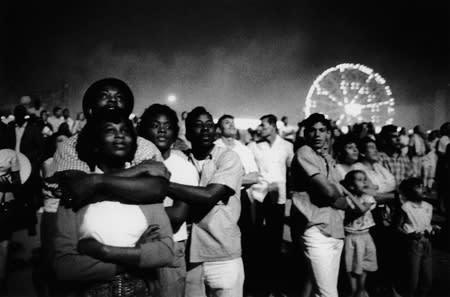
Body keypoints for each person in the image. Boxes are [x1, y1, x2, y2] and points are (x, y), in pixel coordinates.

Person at [50, 110, 175, 297]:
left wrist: (104, 251)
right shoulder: (77, 191)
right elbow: (65, 266)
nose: (120, 135)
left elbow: (165, 252)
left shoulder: (147, 189)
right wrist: (136, 255)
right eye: (110, 130)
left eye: (125, 130)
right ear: (95, 143)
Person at [167, 106, 244, 297]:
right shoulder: (181, 160)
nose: (205, 130)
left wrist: (163, 185)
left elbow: (209, 195)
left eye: (209, 125)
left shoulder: (228, 157)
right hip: (190, 258)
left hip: (222, 254)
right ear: (188, 132)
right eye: (198, 125)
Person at [138, 104, 199, 297]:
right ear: (143, 130)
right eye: (155, 125)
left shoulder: (183, 168)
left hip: (170, 246)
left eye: (168, 126)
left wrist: (132, 215)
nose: (162, 130)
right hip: (133, 246)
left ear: (175, 133)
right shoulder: (132, 164)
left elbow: (177, 216)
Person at [289, 113, 350, 297]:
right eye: (312, 131)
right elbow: (331, 192)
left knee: (321, 291)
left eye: (322, 130)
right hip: (315, 227)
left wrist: (340, 196)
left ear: (329, 134)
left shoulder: (325, 157)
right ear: (305, 134)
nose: (317, 135)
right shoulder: (304, 152)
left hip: (334, 228)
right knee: (328, 293)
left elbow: (337, 192)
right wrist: (341, 198)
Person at [247, 114, 294, 296]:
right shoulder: (253, 147)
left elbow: (292, 170)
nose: (260, 128)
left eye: (264, 125)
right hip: (258, 196)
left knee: (276, 240)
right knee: (258, 239)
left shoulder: (287, 146)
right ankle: (259, 285)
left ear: (274, 126)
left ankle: (275, 285)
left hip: (278, 197)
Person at [214, 114, 260, 294]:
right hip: (219, 198)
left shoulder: (243, 149)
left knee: (245, 238)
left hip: (240, 198)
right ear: (219, 128)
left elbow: (255, 176)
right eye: (227, 123)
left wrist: (229, 178)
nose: (232, 126)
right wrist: (239, 176)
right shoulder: (215, 147)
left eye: (233, 123)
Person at [398, 178, 439, 297]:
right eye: (419, 186)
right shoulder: (406, 207)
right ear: (409, 191)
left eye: (422, 186)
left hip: (426, 243)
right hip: (413, 244)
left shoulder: (428, 206)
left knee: (427, 277)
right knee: (413, 277)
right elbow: (397, 227)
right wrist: (409, 235)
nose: (423, 188)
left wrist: (432, 228)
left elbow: (426, 224)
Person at [341, 170, 378, 297]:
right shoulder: (345, 199)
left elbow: (361, 209)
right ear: (351, 185)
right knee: (351, 266)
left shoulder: (367, 197)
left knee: (364, 264)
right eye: (360, 180)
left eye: (365, 179)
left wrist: (348, 194)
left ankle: (361, 289)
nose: (364, 182)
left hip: (365, 236)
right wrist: (348, 194)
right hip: (351, 237)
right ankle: (353, 290)